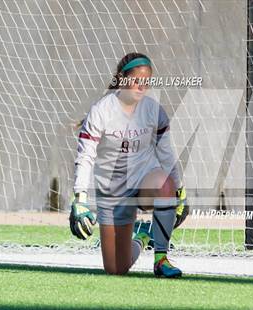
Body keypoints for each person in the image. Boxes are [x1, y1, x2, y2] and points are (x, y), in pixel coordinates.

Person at [69, 52, 188, 278]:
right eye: (136, 80)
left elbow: (167, 155)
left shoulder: (154, 111)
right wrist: (80, 200)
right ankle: (143, 237)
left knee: (165, 184)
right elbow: (85, 157)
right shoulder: (101, 110)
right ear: (123, 79)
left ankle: (161, 259)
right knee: (116, 269)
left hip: (145, 181)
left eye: (146, 82)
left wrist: (179, 190)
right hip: (113, 191)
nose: (141, 87)